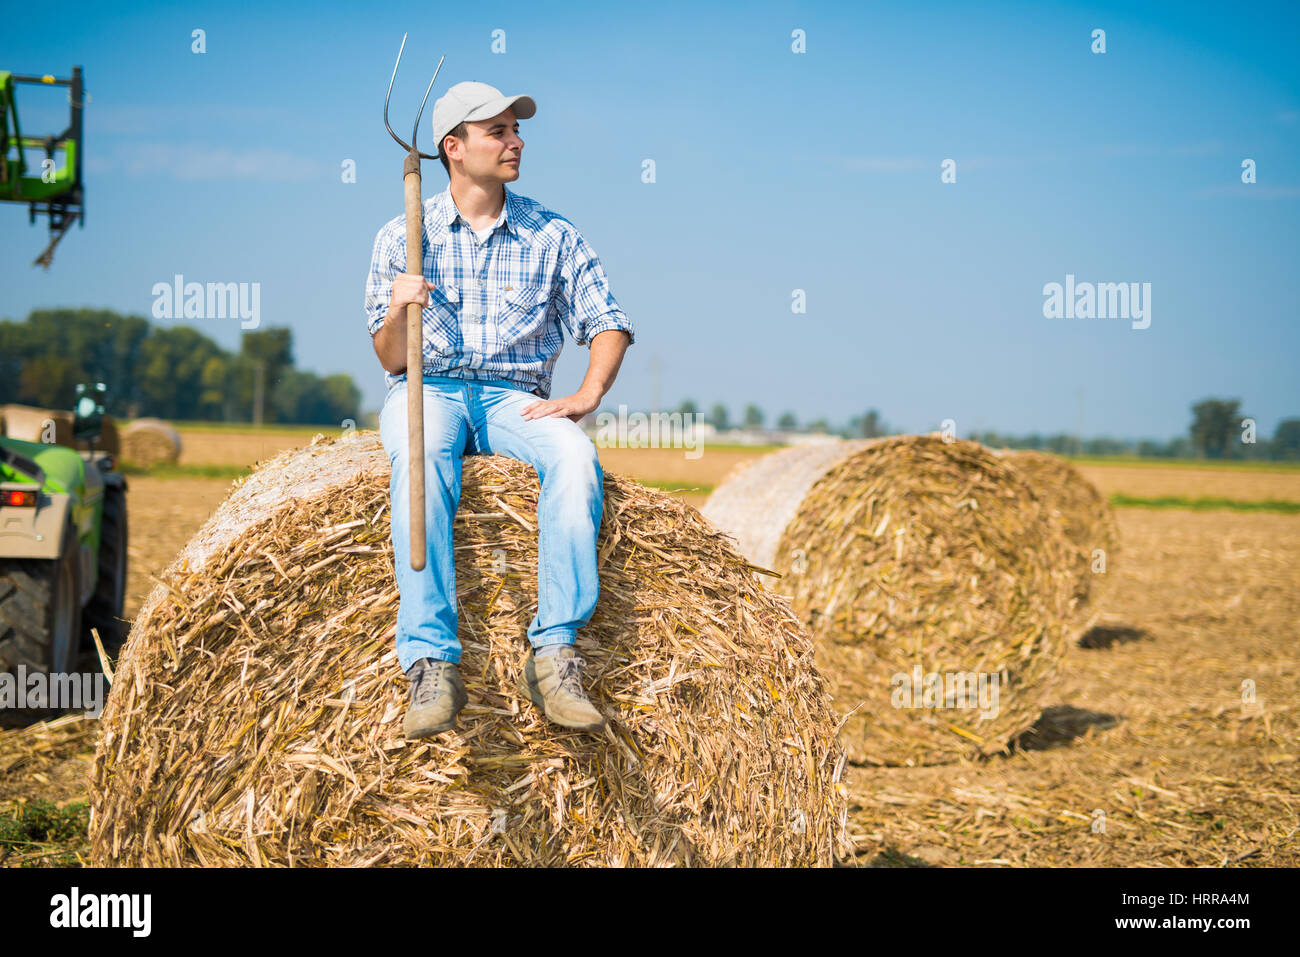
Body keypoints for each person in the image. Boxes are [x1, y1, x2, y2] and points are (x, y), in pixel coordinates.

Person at [364, 81, 634, 740]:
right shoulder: (403, 233)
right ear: (454, 148)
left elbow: (609, 321)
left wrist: (588, 394)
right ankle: (430, 661)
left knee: (575, 456)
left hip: (517, 397)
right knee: (422, 454)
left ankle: (555, 653)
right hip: (429, 387)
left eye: (516, 130)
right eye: (499, 132)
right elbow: (388, 357)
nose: (516, 141)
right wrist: (402, 305)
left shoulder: (553, 232)